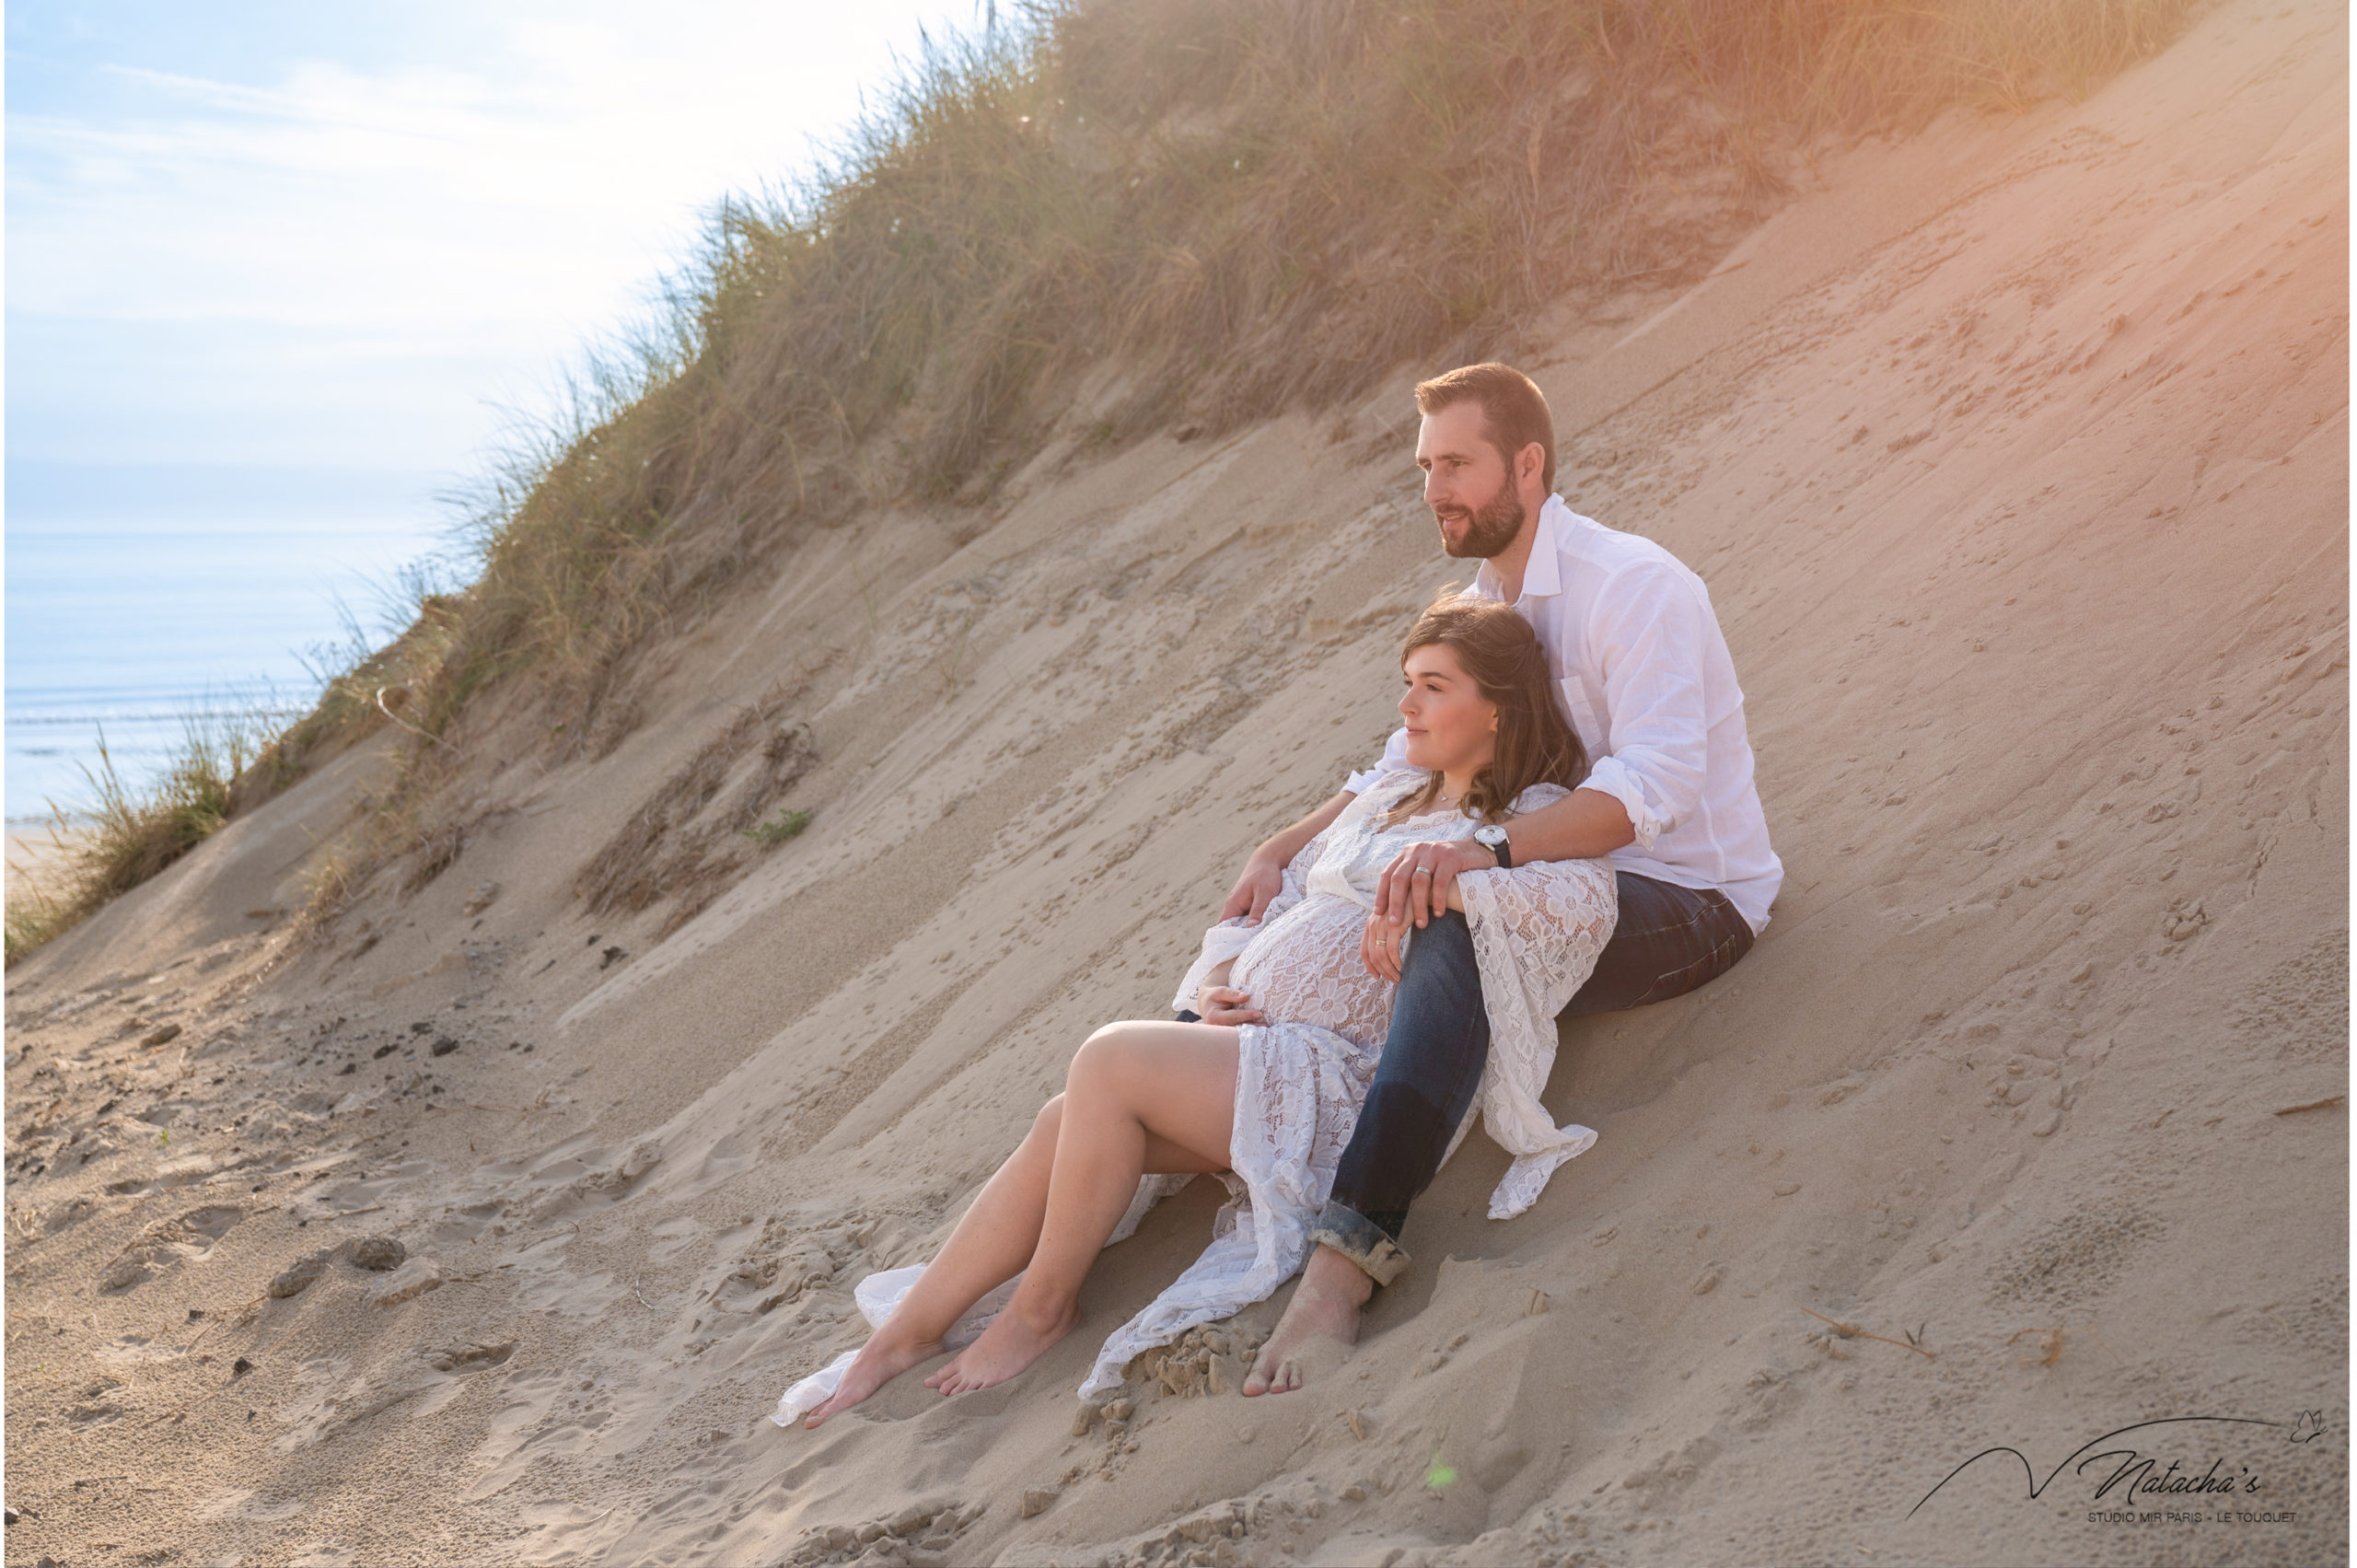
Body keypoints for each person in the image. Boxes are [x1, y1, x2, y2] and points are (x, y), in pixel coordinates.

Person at [783, 598, 1618, 1428]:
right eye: (1407, 682)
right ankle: (902, 1336)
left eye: (1433, 687)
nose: (1406, 705)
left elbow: (1585, 900)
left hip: (1341, 1082)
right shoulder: (1395, 793)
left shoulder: (1521, 819)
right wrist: (1208, 997)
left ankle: (1039, 1312)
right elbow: (1279, 899)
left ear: (1499, 706)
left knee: (1106, 1061)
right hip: (1258, 1050)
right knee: (1064, 1117)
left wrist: (1458, 879)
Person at [1226, 363, 1782, 1398]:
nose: (1436, 487)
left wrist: (1482, 856)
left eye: (1457, 464)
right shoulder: (1488, 601)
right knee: (1412, 891)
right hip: (1555, 879)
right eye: (1426, 466)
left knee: (1460, 913)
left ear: (1527, 464)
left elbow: (1649, 787)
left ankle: (1342, 1266)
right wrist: (1280, 847)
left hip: (1684, 898)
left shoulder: (1636, 586)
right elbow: (1402, 765)